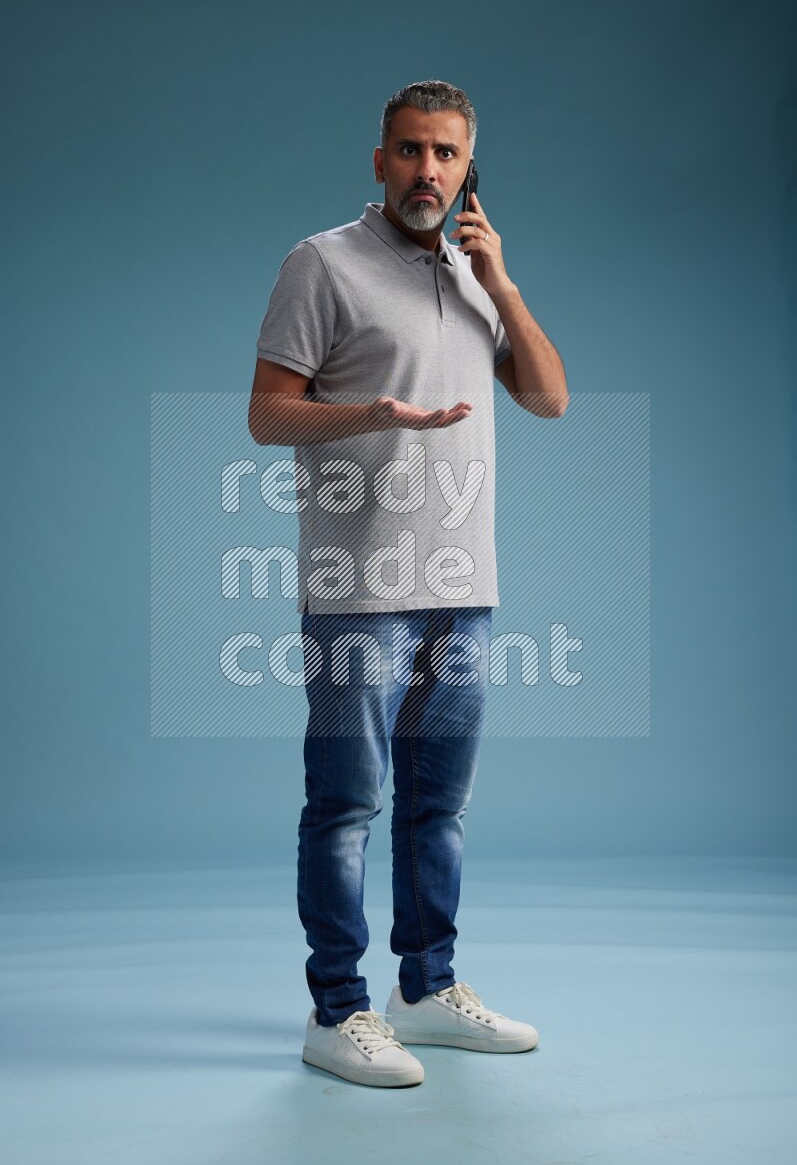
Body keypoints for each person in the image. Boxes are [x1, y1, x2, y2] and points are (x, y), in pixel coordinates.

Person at [249, 80, 569, 1088]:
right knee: (345, 803)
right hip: (357, 584)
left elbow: (548, 397)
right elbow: (266, 414)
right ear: (377, 160)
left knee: (440, 804)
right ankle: (336, 1007)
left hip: (462, 583)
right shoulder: (321, 262)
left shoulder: (476, 274)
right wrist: (369, 411)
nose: (426, 170)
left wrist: (502, 280)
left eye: (445, 154)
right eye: (408, 150)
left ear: (466, 167)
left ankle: (424, 990)